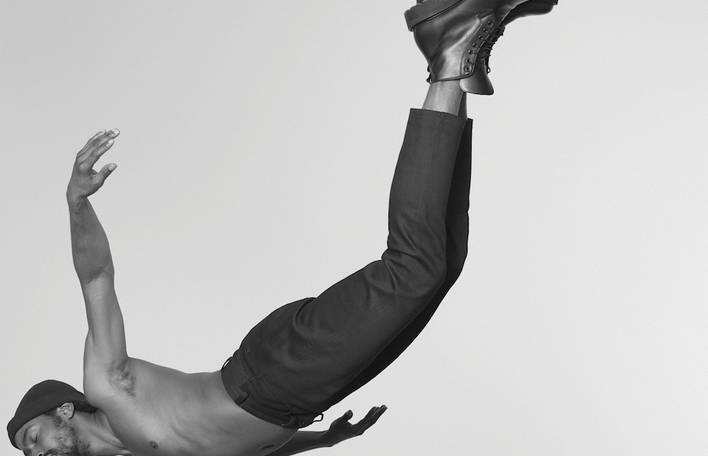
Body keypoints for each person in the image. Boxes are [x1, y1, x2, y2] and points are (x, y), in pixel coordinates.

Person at [7, 1, 558, 455]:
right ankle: (469, 42)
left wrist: (76, 203)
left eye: (33, 438)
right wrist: (322, 439)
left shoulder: (108, 385)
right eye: (26, 454)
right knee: (443, 265)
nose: (35, 454)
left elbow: (96, 277)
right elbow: (232, 447)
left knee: (413, 267)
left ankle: (449, 43)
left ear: (64, 410)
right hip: (293, 402)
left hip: (268, 375)